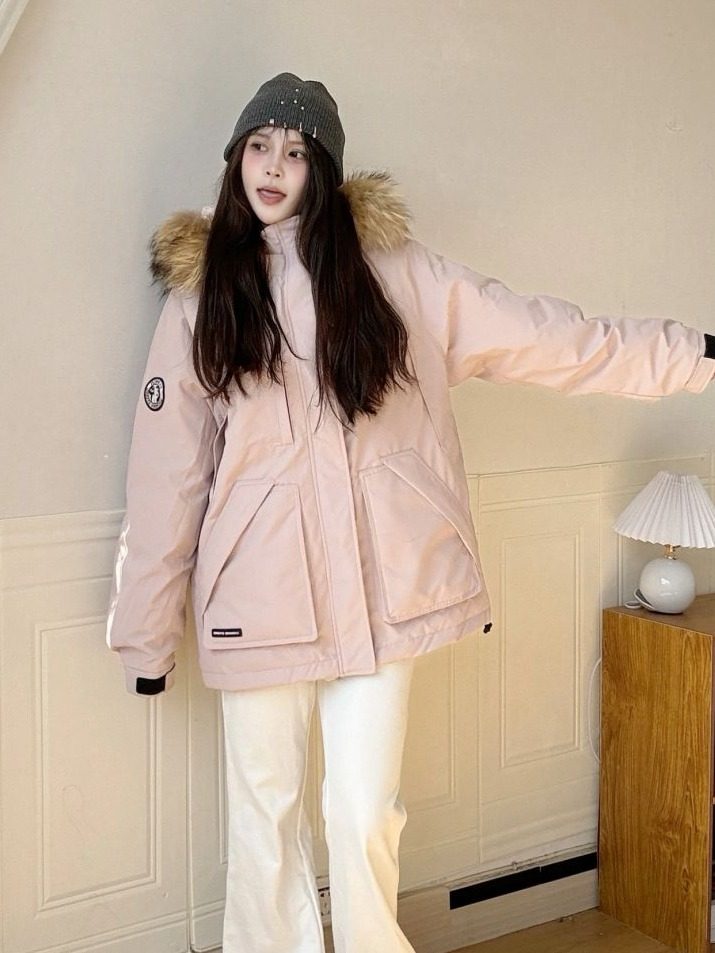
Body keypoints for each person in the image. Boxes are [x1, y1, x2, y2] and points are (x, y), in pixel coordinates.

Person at [105, 72, 715, 953]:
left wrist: (691, 355)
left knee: (364, 814)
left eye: (295, 152)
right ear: (235, 158)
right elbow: (166, 476)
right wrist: (145, 634)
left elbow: (547, 337)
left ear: (324, 171)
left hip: (387, 593)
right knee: (263, 822)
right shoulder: (201, 297)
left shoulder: (397, 275)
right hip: (256, 600)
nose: (272, 166)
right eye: (258, 147)